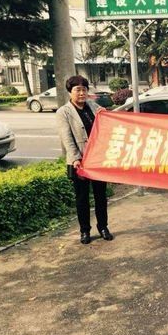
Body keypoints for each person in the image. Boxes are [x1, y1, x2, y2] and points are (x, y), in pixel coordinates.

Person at [56, 75, 113, 245]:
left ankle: (103, 227)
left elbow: (106, 122)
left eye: (84, 89)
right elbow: (66, 138)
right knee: (82, 199)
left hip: (96, 159)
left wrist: (106, 114)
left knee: (100, 196)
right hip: (79, 161)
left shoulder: (93, 106)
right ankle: (85, 231)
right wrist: (75, 158)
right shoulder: (64, 112)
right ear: (70, 92)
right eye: (77, 90)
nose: (81, 93)